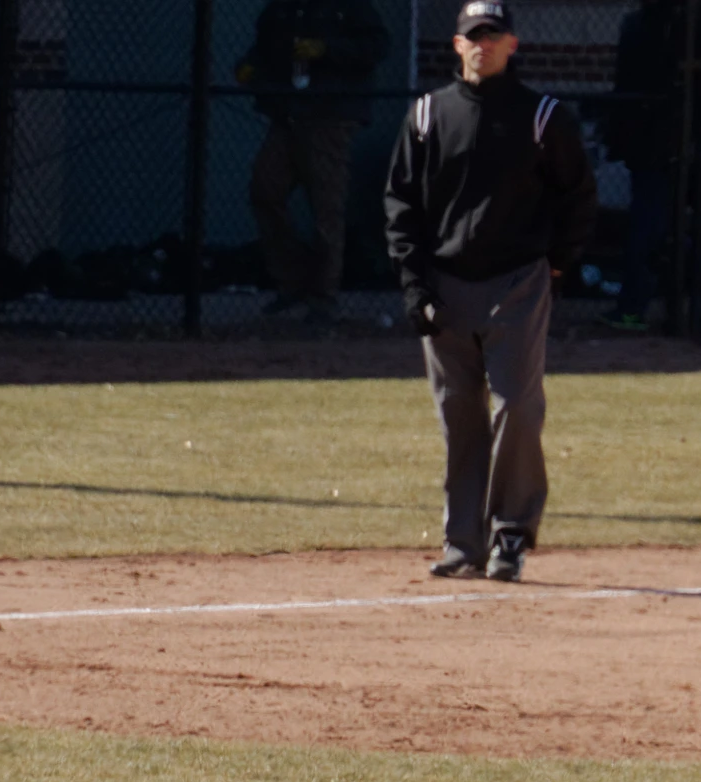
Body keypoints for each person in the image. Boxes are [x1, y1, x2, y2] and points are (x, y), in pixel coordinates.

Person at [383, 0, 597, 583]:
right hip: (445, 282)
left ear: (512, 45)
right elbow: (401, 204)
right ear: (456, 46)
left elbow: (577, 194)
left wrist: (556, 266)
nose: (483, 45)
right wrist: (415, 284)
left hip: (517, 282)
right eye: (473, 36)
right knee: (459, 414)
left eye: (493, 35)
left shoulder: (541, 116)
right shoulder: (428, 114)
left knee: (518, 409)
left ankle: (511, 535)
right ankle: (462, 542)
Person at [237, 0, 391, 325]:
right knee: (265, 190)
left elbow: (376, 47)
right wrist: (250, 69)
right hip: (287, 113)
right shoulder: (283, 9)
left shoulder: (348, 8)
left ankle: (323, 297)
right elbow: (263, 49)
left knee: (326, 207)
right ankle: (292, 282)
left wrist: (327, 49)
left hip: (331, 116)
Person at [599, 0, 701, 332]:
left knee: (650, 227)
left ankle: (637, 304)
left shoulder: (685, 25)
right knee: (657, 226)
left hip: (667, 143)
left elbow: (693, 78)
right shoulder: (644, 23)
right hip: (646, 140)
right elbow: (630, 80)